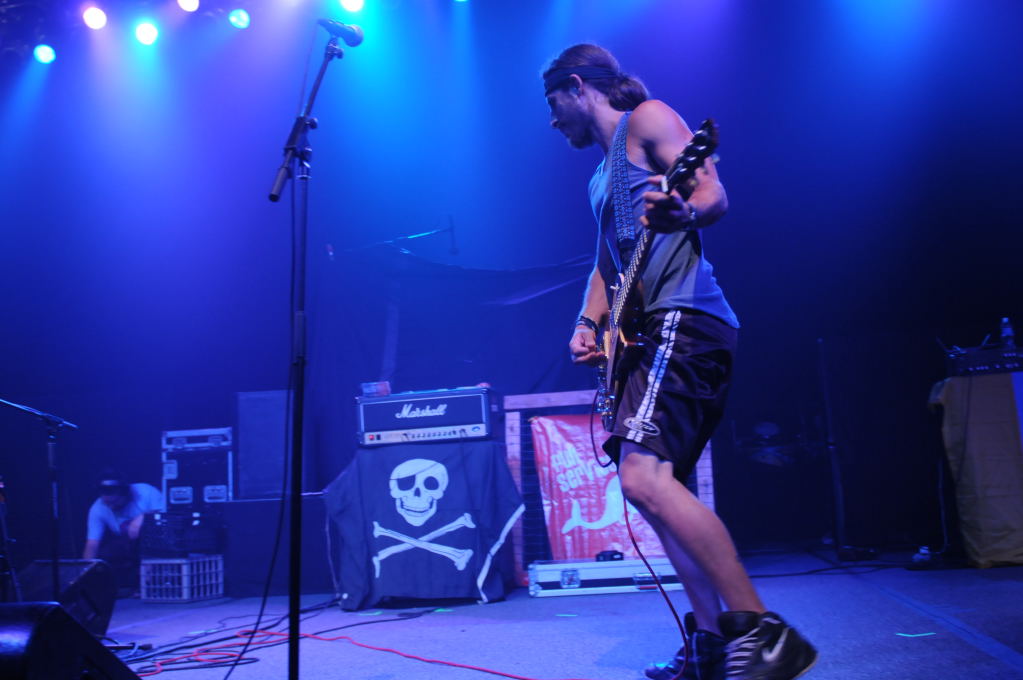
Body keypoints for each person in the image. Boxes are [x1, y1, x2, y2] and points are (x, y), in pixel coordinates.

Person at [543, 44, 817, 680]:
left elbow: (713, 192)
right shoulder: (599, 179)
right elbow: (607, 266)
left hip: (685, 320)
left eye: (552, 102)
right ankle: (711, 646)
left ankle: (764, 633)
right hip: (645, 335)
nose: (552, 119)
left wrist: (684, 211)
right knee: (657, 492)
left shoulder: (649, 118)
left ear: (577, 86)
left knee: (643, 480)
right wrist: (589, 323)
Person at [82, 470, 163, 586]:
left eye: (114, 502)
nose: (111, 506)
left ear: (125, 493)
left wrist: (145, 517)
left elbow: (167, 515)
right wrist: (85, 574)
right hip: (126, 547)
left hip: (157, 542)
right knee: (106, 556)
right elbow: (92, 544)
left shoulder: (146, 492)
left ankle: (149, 582)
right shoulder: (98, 508)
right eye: (107, 503)